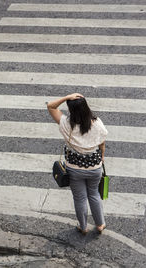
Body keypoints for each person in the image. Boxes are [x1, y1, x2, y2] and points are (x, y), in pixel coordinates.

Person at [47, 93, 108, 235]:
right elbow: (102, 143)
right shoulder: (97, 123)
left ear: (71, 110)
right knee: (94, 194)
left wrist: (66, 97)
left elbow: (50, 106)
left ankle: (83, 227)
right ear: (86, 107)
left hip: (74, 169)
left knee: (79, 198)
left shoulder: (65, 124)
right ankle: (100, 224)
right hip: (95, 167)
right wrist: (102, 156)